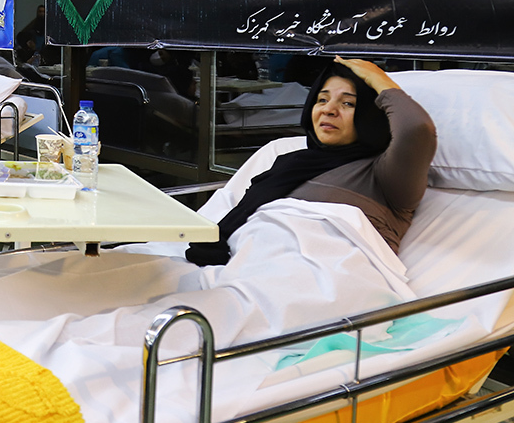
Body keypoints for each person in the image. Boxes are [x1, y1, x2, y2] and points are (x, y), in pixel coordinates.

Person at [185, 56, 436, 266]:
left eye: (348, 103)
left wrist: (376, 78)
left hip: (326, 278)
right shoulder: (290, 164)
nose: (328, 110)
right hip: (251, 264)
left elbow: (416, 128)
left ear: (371, 116)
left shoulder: (384, 175)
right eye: (322, 99)